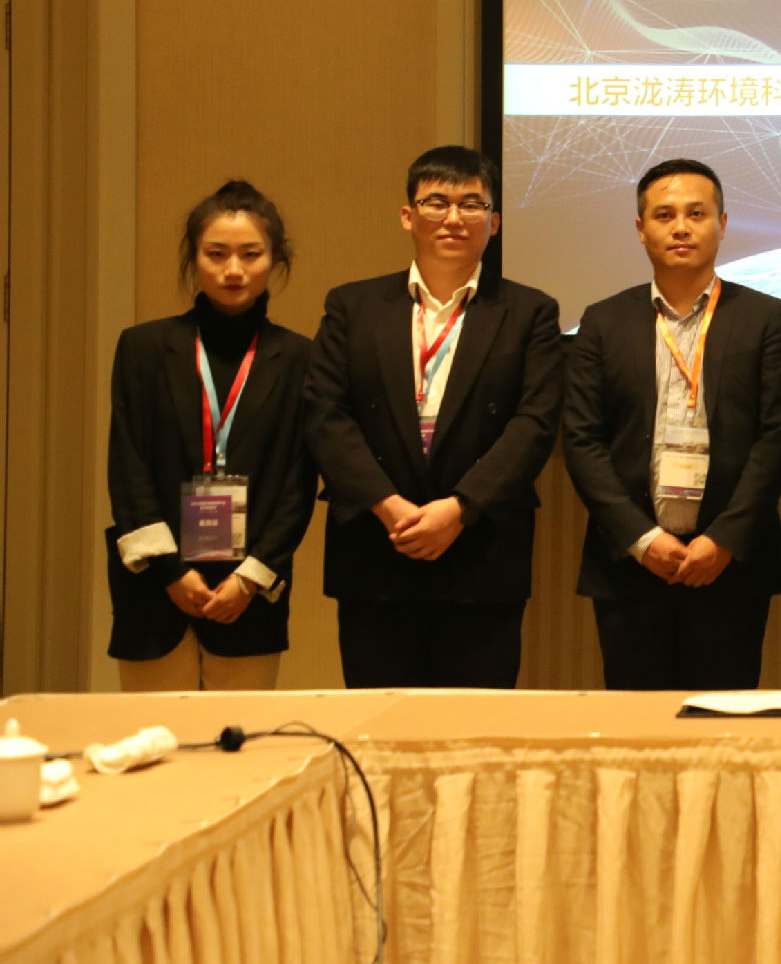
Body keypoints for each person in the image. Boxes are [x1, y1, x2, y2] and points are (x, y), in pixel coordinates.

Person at [305, 145, 564, 688]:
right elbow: (327, 415)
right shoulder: (352, 307)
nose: (453, 217)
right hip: (377, 546)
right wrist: (389, 505)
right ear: (408, 215)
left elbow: (534, 423)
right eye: (436, 202)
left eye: (472, 204)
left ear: (494, 221)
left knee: (474, 725)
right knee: (378, 722)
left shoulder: (530, 312)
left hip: (481, 551)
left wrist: (460, 509)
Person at [564, 158, 781, 689]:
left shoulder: (764, 317)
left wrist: (724, 540)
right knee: (637, 723)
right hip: (630, 564)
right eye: (664, 214)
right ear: (640, 228)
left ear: (722, 223)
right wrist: (641, 538)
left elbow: (778, 436)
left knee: (722, 721)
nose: (681, 227)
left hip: (729, 564)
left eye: (697, 213)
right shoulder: (603, 320)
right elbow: (582, 440)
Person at [105, 181, 316, 691]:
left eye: (251, 254)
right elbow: (128, 467)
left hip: (250, 593)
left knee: (239, 737)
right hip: (154, 589)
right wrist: (171, 572)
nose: (233, 270)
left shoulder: (301, 359)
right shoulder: (143, 348)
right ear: (194, 258)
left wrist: (250, 578)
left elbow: (298, 483)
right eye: (216, 254)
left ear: (275, 259)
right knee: (156, 736)